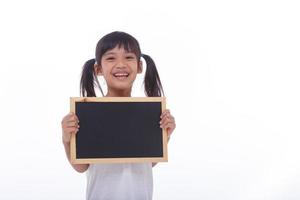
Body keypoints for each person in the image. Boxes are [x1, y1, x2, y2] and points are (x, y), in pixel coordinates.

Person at [61, 31, 176, 200]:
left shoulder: (150, 112)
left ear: (139, 66)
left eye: (128, 57)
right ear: (98, 69)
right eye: (111, 58)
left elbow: (148, 161)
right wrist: (66, 138)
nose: (121, 64)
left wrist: (164, 136)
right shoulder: (87, 113)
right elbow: (81, 167)